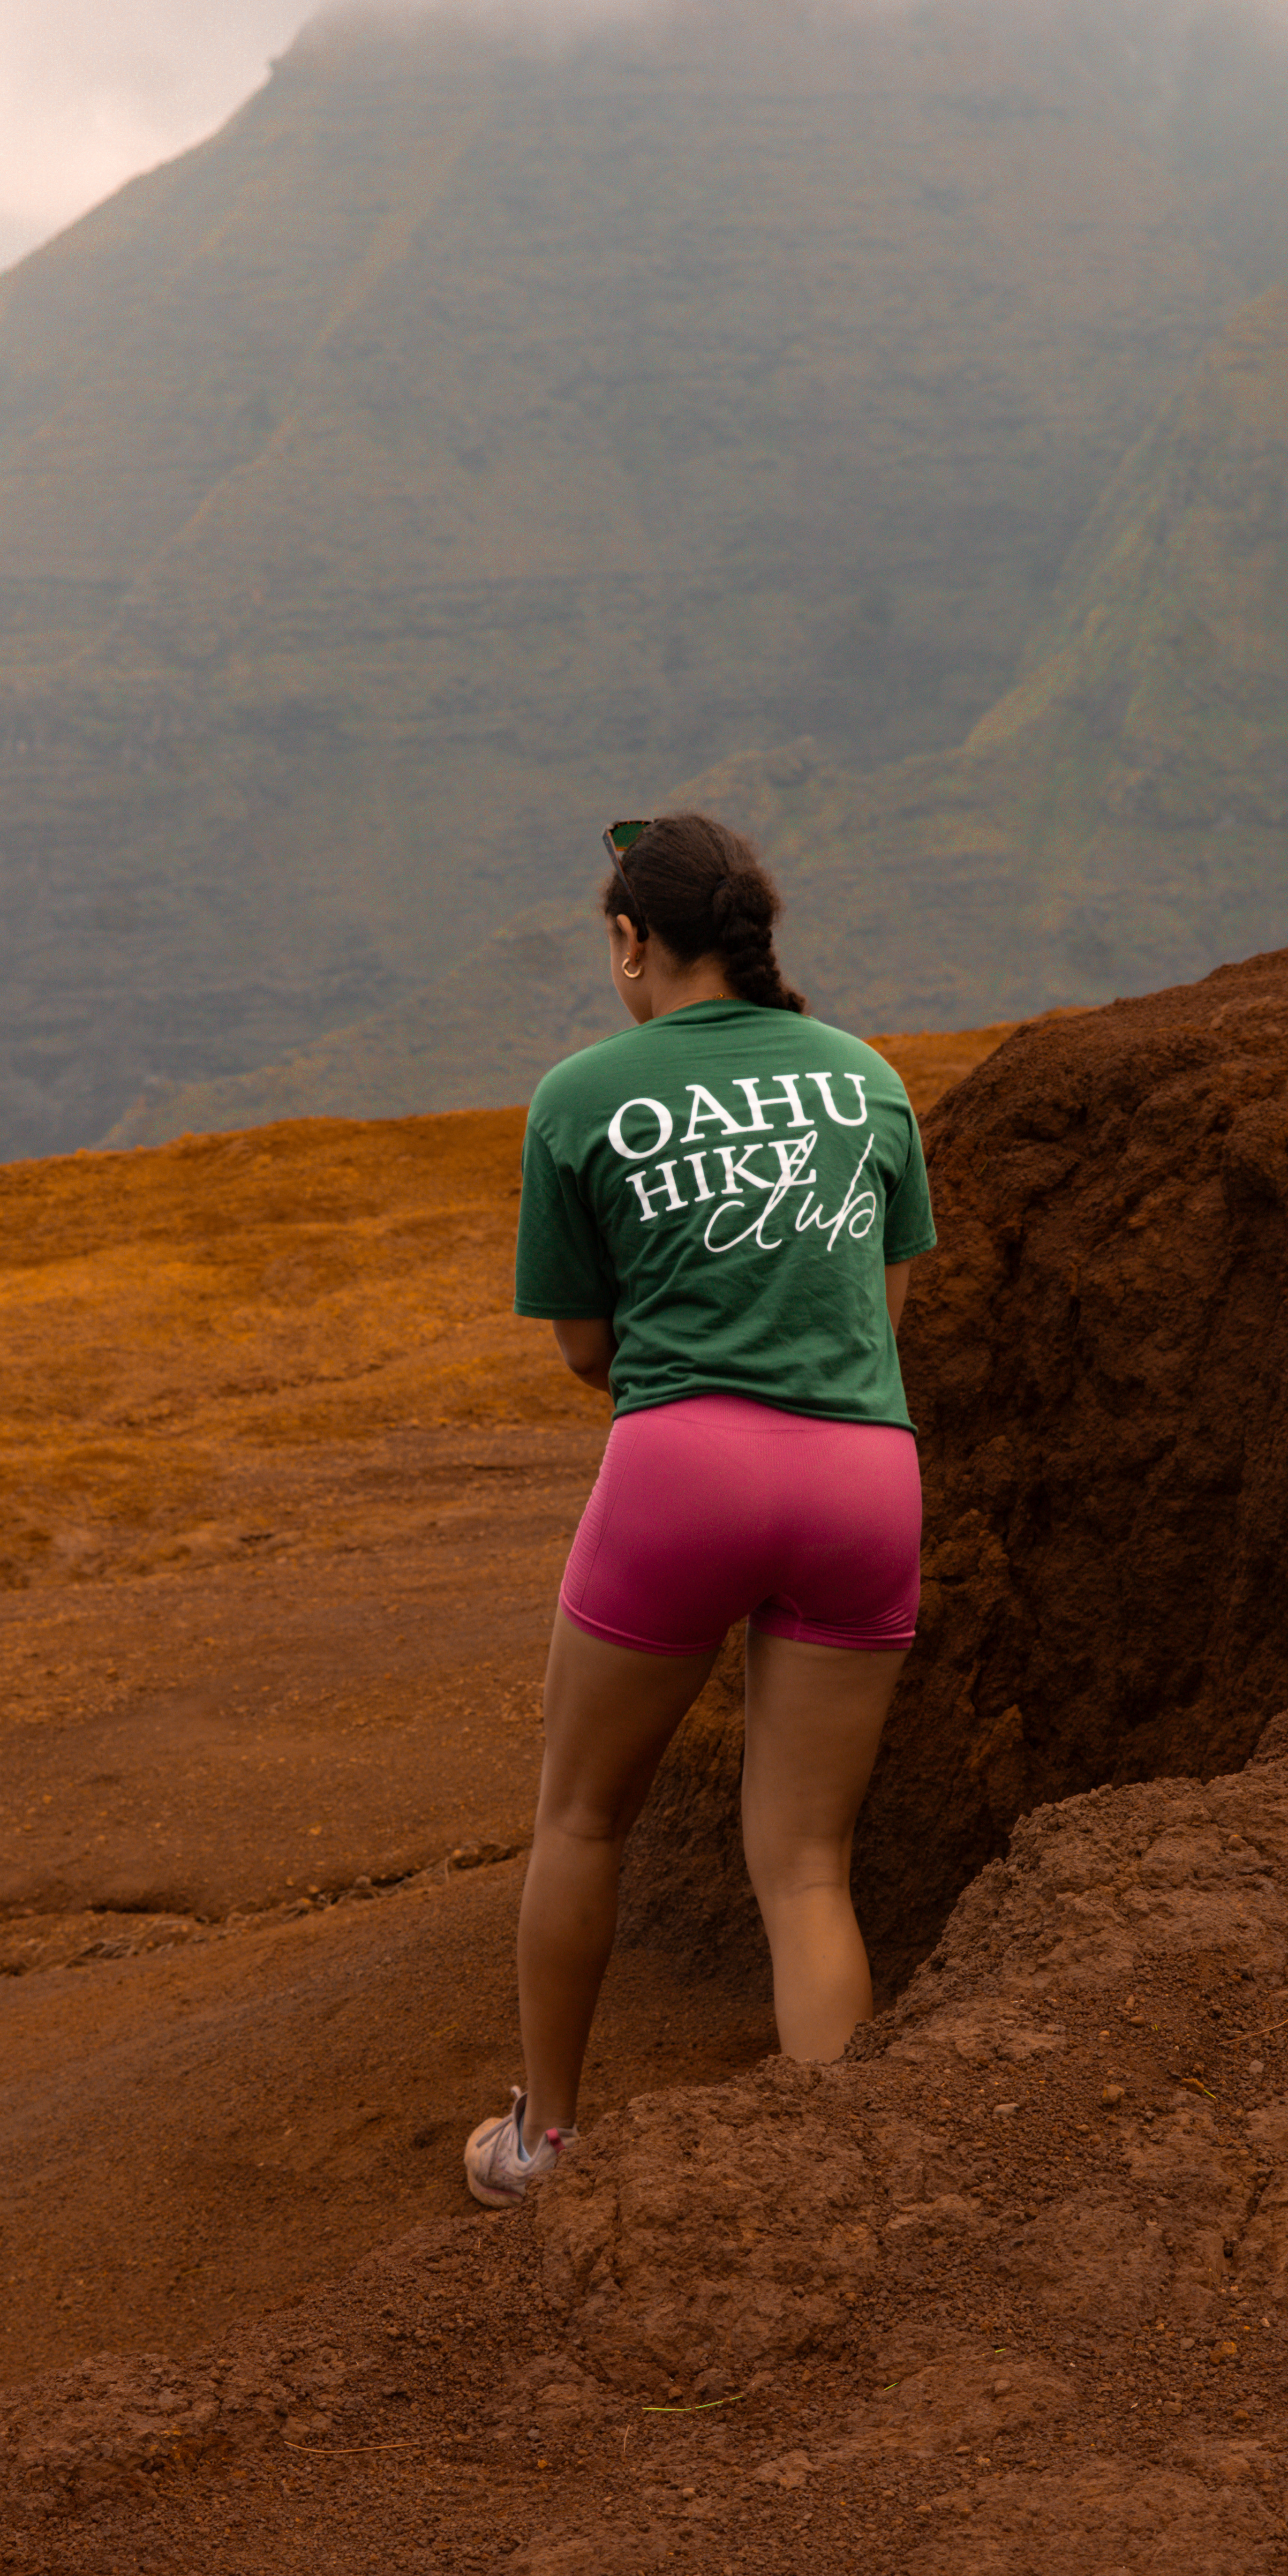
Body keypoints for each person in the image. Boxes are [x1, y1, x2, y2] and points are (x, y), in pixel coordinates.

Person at [463, 810, 935, 2207]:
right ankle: (839, 2175)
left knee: (582, 1819)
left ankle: (542, 2145)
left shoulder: (582, 1095)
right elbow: (884, 1318)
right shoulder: (868, 1080)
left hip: (684, 1470)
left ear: (632, 940)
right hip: (864, 1475)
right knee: (804, 1865)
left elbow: (580, 1348)